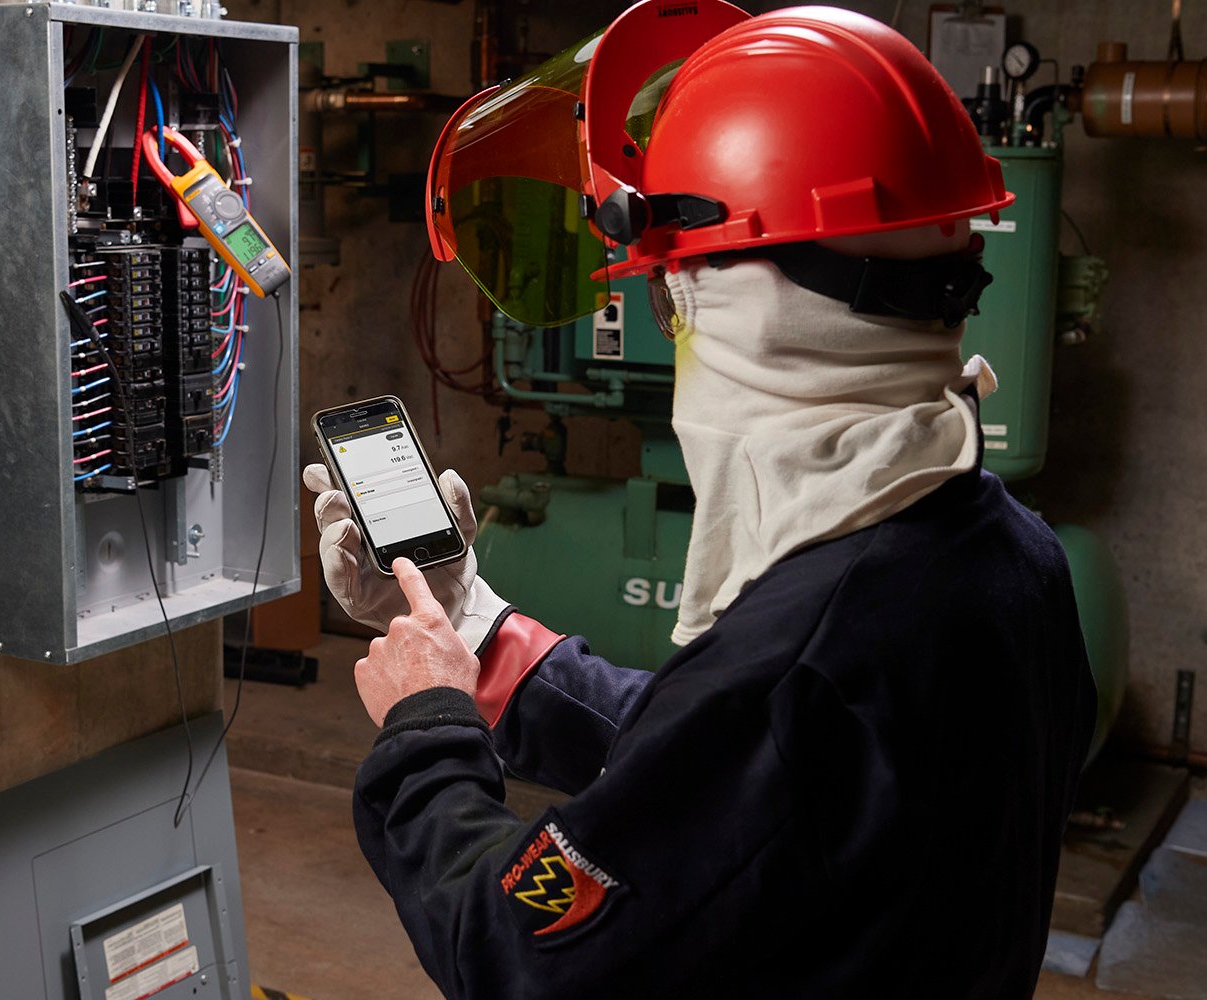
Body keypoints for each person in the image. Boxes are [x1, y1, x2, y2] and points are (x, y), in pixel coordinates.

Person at [303, 4, 1096, 997]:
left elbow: (513, 954)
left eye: (670, 292)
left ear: (742, 302)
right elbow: (723, 770)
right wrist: (472, 625)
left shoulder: (801, 666)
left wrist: (426, 726)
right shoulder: (1011, 557)